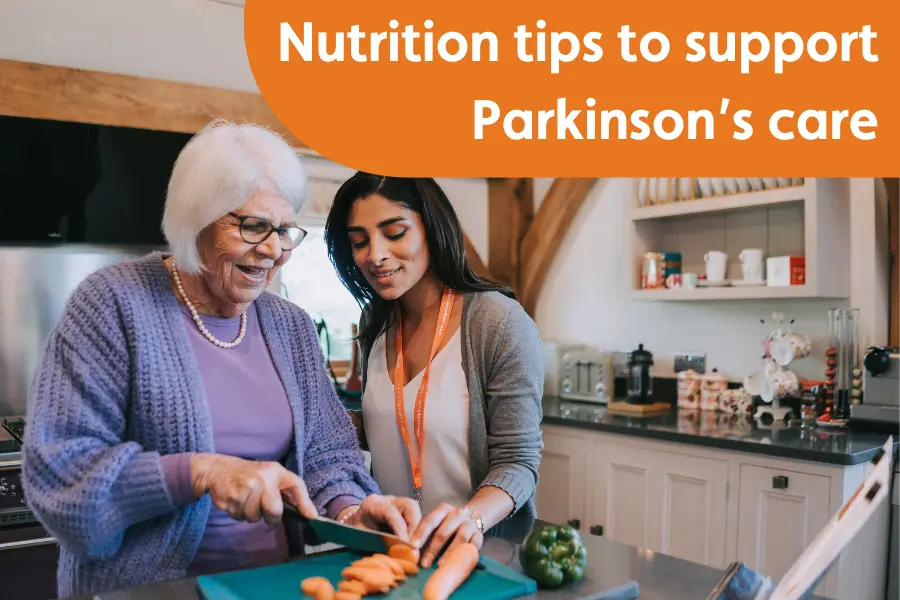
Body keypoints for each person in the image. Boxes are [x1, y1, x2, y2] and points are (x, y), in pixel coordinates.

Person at [22, 121, 419, 598]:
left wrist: (352, 509)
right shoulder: (113, 304)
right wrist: (202, 472)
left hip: (271, 586)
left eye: (285, 229)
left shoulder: (290, 326)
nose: (273, 250)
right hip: (148, 590)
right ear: (196, 217)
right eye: (253, 226)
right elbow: (62, 476)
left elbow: (327, 456)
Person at [324, 174, 544, 569]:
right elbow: (394, 422)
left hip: (480, 558)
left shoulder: (498, 323)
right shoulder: (376, 320)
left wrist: (470, 519)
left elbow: (519, 463)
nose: (375, 255)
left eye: (394, 233)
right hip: (395, 553)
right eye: (359, 241)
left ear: (432, 228)